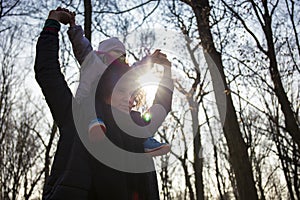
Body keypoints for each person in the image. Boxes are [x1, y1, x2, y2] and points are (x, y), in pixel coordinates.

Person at [34, 7, 173, 199]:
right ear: (106, 88)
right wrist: (52, 23)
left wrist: (166, 73)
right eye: (122, 90)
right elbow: (48, 72)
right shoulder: (78, 117)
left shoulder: (137, 126)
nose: (129, 98)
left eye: (132, 92)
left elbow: (162, 106)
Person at [64, 8, 172, 156]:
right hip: (87, 101)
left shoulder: (120, 74)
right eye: (112, 58)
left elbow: (137, 69)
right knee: (92, 102)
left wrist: (150, 60)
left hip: (111, 109)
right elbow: (81, 46)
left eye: (121, 59)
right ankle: (94, 123)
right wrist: (73, 27)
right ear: (102, 56)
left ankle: (144, 139)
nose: (115, 63)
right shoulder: (93, 63)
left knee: (133, 114)